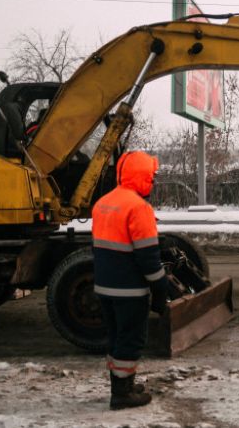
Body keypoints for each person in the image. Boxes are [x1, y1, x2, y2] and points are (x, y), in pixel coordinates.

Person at [92, 151, 168, 410]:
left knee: (116, 338)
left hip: (105, 288)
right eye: (152, 177)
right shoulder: (139, 208)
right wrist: (160, 290)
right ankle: (122, 395)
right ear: (142, 176)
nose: (154, 182)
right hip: (129, 291)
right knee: (131, 340)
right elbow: (148, 258)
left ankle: (121, 385)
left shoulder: (103, 202)